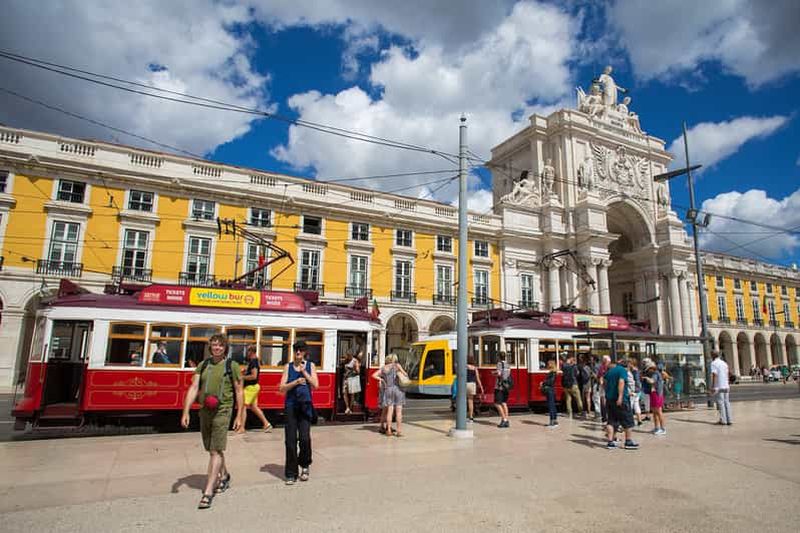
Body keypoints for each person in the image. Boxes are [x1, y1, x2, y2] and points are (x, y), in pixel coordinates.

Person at [180, 334, 244, 509]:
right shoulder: (204, 365)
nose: (217, 348)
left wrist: (239, 416)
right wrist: (186, 411)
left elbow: (239, 391)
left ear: (225, 348)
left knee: (215, 450)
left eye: (220, 346)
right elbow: (194, 387)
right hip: (205, 410)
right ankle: (224, 476)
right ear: (210, 348)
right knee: (211, 449)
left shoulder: (232, 366)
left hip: (223, 410)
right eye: (214, 345)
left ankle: (209, 491)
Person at [279, 340, 319, 485]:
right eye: (296, 350)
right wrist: (295, 383)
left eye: (300, 350)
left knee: (304, 439)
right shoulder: (287, 367)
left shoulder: (310, 366)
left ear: (304, 352)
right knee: (290, 440)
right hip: (291, 406)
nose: (298, 353)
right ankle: (291, 473)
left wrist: (304, 372)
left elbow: (315, 385)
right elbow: (281, 388)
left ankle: (305, 464)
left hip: (305, 406)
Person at [604, 358, 638, 450]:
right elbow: (621, 382)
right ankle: (628, 441)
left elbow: (604, 382)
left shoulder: (610, 371)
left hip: (609, 399)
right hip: (621, 400)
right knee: (628, 421)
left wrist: (607, 393)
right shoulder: (622, 371)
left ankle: (610, 442)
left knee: (611, 421)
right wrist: (620, 396)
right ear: (627, 366)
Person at [236, 345, 272, 434]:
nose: (246, 354)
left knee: (244, 406)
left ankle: (242, 428)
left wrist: (242, 377)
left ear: (251, 352)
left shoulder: (254, 362)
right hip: (254, 387)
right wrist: (245, 372)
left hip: (251, 388)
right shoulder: (254, 361)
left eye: (247, 351)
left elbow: (254, 376)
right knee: (254, 407)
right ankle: (266, 424)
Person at [374, 353, 408, 437]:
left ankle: (388, 430)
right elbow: (405, 374)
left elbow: (374, 375)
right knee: (399, 411)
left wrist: (381, 379)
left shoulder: (384, 368)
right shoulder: (397, 366)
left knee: (389, 410)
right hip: (397, 389)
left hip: (388, 389)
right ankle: (399, 431)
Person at [643, 361, 666, 435]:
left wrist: (646, 378)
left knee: (658, 412)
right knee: (654, 412)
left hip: (656, 394)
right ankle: (657, 427)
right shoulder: (656, 373)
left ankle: (662, 428)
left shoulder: (655, 373)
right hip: (654, 393)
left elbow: (652, 381)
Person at [711, 351, 732, 426]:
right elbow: (728, 373)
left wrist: (713, 386)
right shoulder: (724, 363)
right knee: (727, 402)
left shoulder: (714, 363)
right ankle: (729, 419)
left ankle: (723, 420)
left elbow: (714, 375)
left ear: (713, 356)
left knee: (721, 403)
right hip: (726, 385)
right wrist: (728, 383)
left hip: (719, 385)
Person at [494, 352, 511, 428]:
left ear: (499, 357)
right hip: (506, 386)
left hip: (499, 386)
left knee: (497, 403)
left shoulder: (499, 364)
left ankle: (503, 419)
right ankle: (506, 420)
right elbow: (508, 374)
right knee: (504, 403)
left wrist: (493, 373)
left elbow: (499, 373)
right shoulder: (508, 364)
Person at [466, 356, 484, 422]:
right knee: (470, 401)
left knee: (462, 401)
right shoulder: (475, 368)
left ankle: (461, 416)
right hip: (472, 384)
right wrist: (481, 387)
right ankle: (471, 417)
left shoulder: (465, 367)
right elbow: (478, 379)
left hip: (465, 384)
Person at [542, 359, 558, 428]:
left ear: (551, 365)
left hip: (550, 390)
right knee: (553, 405)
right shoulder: (553, 372)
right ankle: (554, 420)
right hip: (551, 390)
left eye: (548, 364)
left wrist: (543, 382)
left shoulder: (552, 373)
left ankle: (552, 421)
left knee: (551, 406)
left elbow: (550, 382)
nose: (547, 365)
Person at [628, 359, 643, 426]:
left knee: (630, 405)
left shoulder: (634, 371)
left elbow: (636, 381)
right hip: (637, 390)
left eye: (629, 363)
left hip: (634, 390)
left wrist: (634, 390)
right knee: (636, 405)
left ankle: (630, 421)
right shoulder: (637, 371)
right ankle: (639, 420)